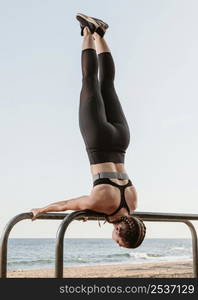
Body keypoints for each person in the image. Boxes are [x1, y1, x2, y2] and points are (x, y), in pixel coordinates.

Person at [31, 13, 146, 249]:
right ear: (118, 231)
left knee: (108, 84)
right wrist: (41, 209)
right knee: (89, 81)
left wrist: (93, 212)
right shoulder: (101, 201)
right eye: (119, 242)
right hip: (98, 140)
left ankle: (100, 35)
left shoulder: (133, 203)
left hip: (121, 139)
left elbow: (112, 210)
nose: (116, 242)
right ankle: (87, 32)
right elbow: (65, 205)